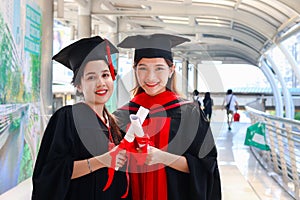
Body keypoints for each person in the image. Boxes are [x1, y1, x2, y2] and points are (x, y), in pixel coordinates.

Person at [115, 33, 221, 200]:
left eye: (159, 68)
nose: (150, 77)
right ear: (135, 70)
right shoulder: (122, 115)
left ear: (171, 70)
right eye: (142, 68)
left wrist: (161, 157)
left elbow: (206, 166)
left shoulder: (189, 114)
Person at [32, 36, 131, 200]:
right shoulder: (67, 118)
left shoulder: (113, 124)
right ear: (78, 85)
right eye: (91, 77)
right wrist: (102, 161)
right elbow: (50, 173)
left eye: (105, 75)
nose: (101, 83)